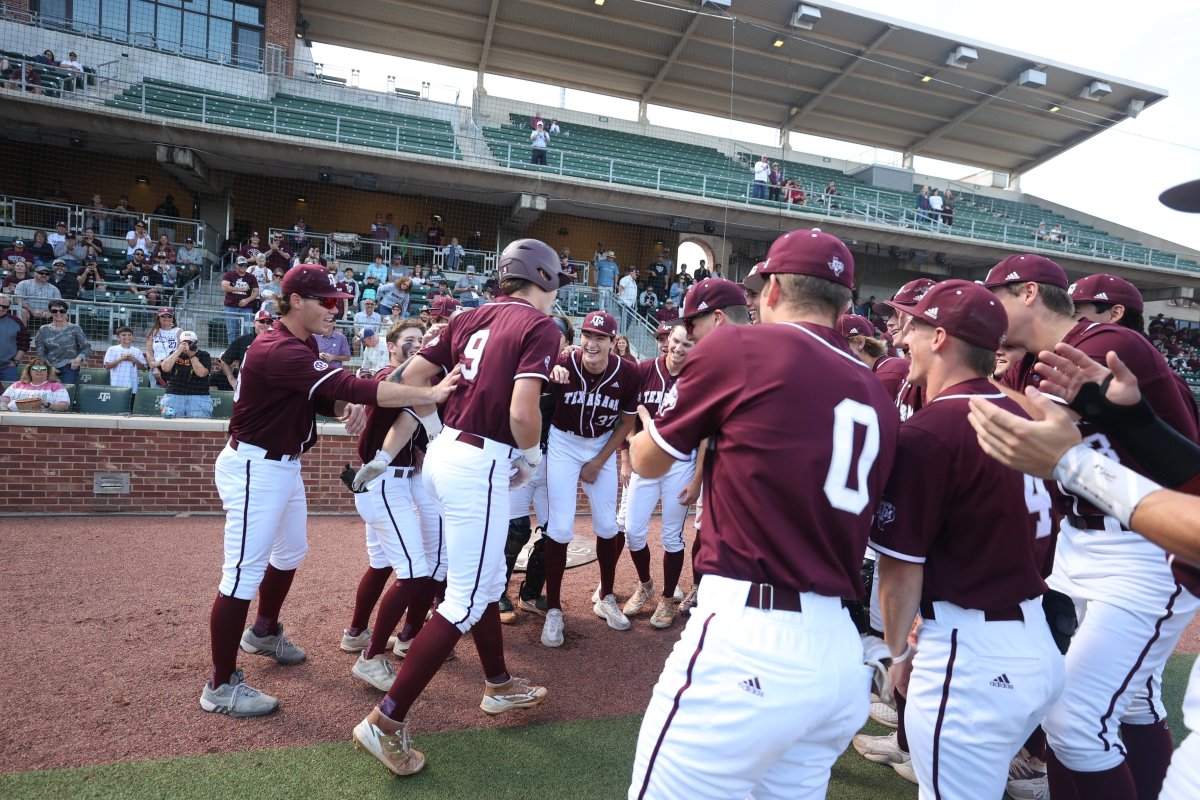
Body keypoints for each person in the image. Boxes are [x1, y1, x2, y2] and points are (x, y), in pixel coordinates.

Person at [625, 229, 899, 800]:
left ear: (771, 289)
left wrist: (647, 430)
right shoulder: (875, 389)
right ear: (846, 304)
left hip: (750, 633)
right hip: (837, 647)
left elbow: (649, 463)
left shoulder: (741, 348)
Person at [984, 253, 1199, 800]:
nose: (989, 308)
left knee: (1073, 718)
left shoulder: (1112, 343)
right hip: (1087, 540)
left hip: (1150, 541)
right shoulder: (1031, 360)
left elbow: (1038, 433)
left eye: (998, 295)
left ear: (1028, 293)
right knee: (1133, 700)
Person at [351, 240, 569, 776]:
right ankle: (386, 721)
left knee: (484, 581)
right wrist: (533, 456)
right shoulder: (540, 326)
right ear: (544, 277)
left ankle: (498, 684)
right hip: (481, 462)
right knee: (466, 599)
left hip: (445, 450)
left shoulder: (470, 315)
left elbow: (408, 380)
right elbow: (523, 412)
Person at [202, 265, 459, 719]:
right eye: (326, 300)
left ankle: (262, 631)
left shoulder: (301, 342)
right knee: (241, 573)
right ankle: (220, 685)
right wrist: (430, 392)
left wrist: (345, 406)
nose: (335, 308)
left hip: (281, 466)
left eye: (337, 300)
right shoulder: (276, 346)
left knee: (290, 554)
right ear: (295, 300)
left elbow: (325, 395)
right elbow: (346, 384)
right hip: (252, 468)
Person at [867, 279, 1064, 798]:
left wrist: (897, 655)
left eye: (916, 324)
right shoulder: (1027, 415)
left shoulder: (932, 431)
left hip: (971, 654)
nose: (904, 335)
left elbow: (899, 573)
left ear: (941, 338)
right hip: (1035, 640)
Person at [342, 320, 450, 692]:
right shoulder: (392, 375)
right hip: (386, 484)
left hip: (387, 478)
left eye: (422, 341)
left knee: (381, 564)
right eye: (410, 342)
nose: (418, 346)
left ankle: (356, 633)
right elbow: (411, 392)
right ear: (390, 346)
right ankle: (371, 658)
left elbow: (411, 415)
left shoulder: (403, 381)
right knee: (414, 572)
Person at [539, 311, 639, 646]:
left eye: (600, 337)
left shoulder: (626, 372)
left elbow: (626, 423)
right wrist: (548, 370)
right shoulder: (565, 360)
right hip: (563, 442)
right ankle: (553, 608)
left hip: (600, 443)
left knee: (608, 526)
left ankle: (606, 596)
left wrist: (600, 459)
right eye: (587, 335)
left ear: (613, 342)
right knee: (561, 526)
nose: (591, 343)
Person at [618, 325, 699, 630]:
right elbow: (627, 415)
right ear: (667, 341)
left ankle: (667, 597)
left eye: (687, 344)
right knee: (633, 532)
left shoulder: (699, 378)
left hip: (681, 462)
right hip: (646, 459)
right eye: (675, 341)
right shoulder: (642, 370)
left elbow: (705, 436)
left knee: (671, 536)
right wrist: (626, 455)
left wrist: (698, 480)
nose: (678, 348)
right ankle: (646, 584)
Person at [34, 301, 89, 386]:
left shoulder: (75, 328)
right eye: (54, 311)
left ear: (66, 312)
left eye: (62, 311)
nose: (58, 313)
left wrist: (79, 358)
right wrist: (49, 367)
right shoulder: (43, 330)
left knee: (66, 393)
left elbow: (86, 347)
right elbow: (40, 352)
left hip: (69, 366)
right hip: (48, 366)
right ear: (50, 313)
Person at [160, 330, 212, 418]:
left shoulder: (203, 355)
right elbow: (165, 368)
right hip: (174, 393)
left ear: (196, 343)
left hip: (198, 394)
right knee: (170, 424)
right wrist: (178, 351)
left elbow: (201, 373)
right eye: (184, 343)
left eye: (190, 343)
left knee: (200, 424)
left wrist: (192, 355)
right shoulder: (174, 354)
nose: (187, 345)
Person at [0, 359, 70, 412]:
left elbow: (64, 406)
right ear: (29, 371)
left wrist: (47, 405)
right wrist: (4, 407)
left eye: (43, 368)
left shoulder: (56, 386)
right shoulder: (17, 384)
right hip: (15, 417)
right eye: (35, 368)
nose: (39, 370)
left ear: (48, 371)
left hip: (43, 419)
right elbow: (4, 400)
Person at [221, 257, 259, 345]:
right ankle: (232, 351)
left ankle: (246, 349)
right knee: (231, 330)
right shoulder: (229, 274)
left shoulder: (251, 277)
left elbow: (256, 291)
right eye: (241, 265)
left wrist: (247, 300)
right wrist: (241, 289)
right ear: (236, 265)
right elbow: (224, 287)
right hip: (230, 306)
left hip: (247, 307)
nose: (243, 267)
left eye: (245, 265)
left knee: (248, 330)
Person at [104, 326, 147, 396]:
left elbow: (144, 368)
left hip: (133, 387)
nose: (127, 337)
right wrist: (121, 358)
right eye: (124, 335)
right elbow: (107, 367)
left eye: (129, 335)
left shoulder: (137, 351)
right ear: (118, 337)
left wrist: (135, 360)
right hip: (116, 386)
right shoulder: (112, 349)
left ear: (133, 337)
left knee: (131, 406)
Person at [145, 308, 181, 387]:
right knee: (156, 395)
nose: (166, 318)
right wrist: (154, 368)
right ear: (158, 318)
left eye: (169, 316)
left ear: (173, 318)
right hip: (156, 369)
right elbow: (149, 351)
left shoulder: (178, 331)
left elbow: (179, 351)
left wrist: (161, 362)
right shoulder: (153, 332)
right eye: (163, 316)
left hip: (173, 367)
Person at [0, 295, 30, 383]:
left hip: (7, 368)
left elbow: (24, 343)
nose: (1, 308)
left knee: (8, 395)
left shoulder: (16, 321)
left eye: (5, 306)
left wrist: (15, 361)